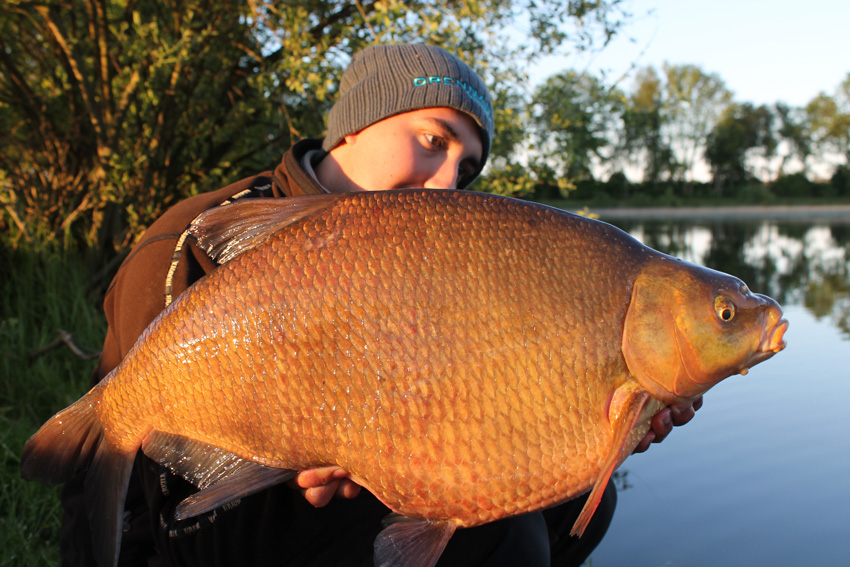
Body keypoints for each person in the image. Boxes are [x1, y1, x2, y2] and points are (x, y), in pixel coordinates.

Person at [60, 43, 700, 567]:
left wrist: (590, 422)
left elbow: (445, 386)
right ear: (353, 128)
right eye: (432, 140)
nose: (449, 181)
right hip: (186, 524)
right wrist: (294, 464)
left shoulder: (426, 249)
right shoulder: (190, 241)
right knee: (507, 543)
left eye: (467, 167)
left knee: (583, 503)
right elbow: (170, 483)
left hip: (329, 482)